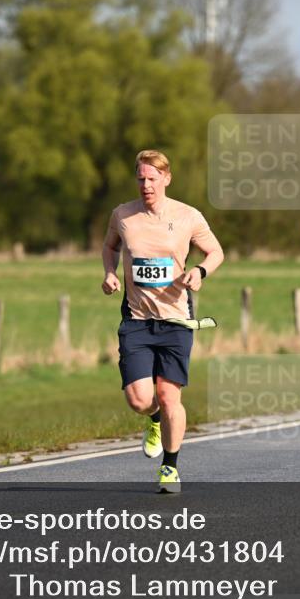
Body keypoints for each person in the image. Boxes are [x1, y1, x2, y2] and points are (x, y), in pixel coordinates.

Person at [102, 150, 224, 493]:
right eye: (140, 179)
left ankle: (170, 467)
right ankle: (152, 420)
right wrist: (110, 273)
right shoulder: (123, 215)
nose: (146, 185)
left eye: (152, 179)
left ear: (166, 179)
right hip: (137, 320)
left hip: (176, 321)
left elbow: (216, 252)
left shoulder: (188, 216)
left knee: (170, 395)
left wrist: (200, 271)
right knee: (140, 400)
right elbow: (109, 247)